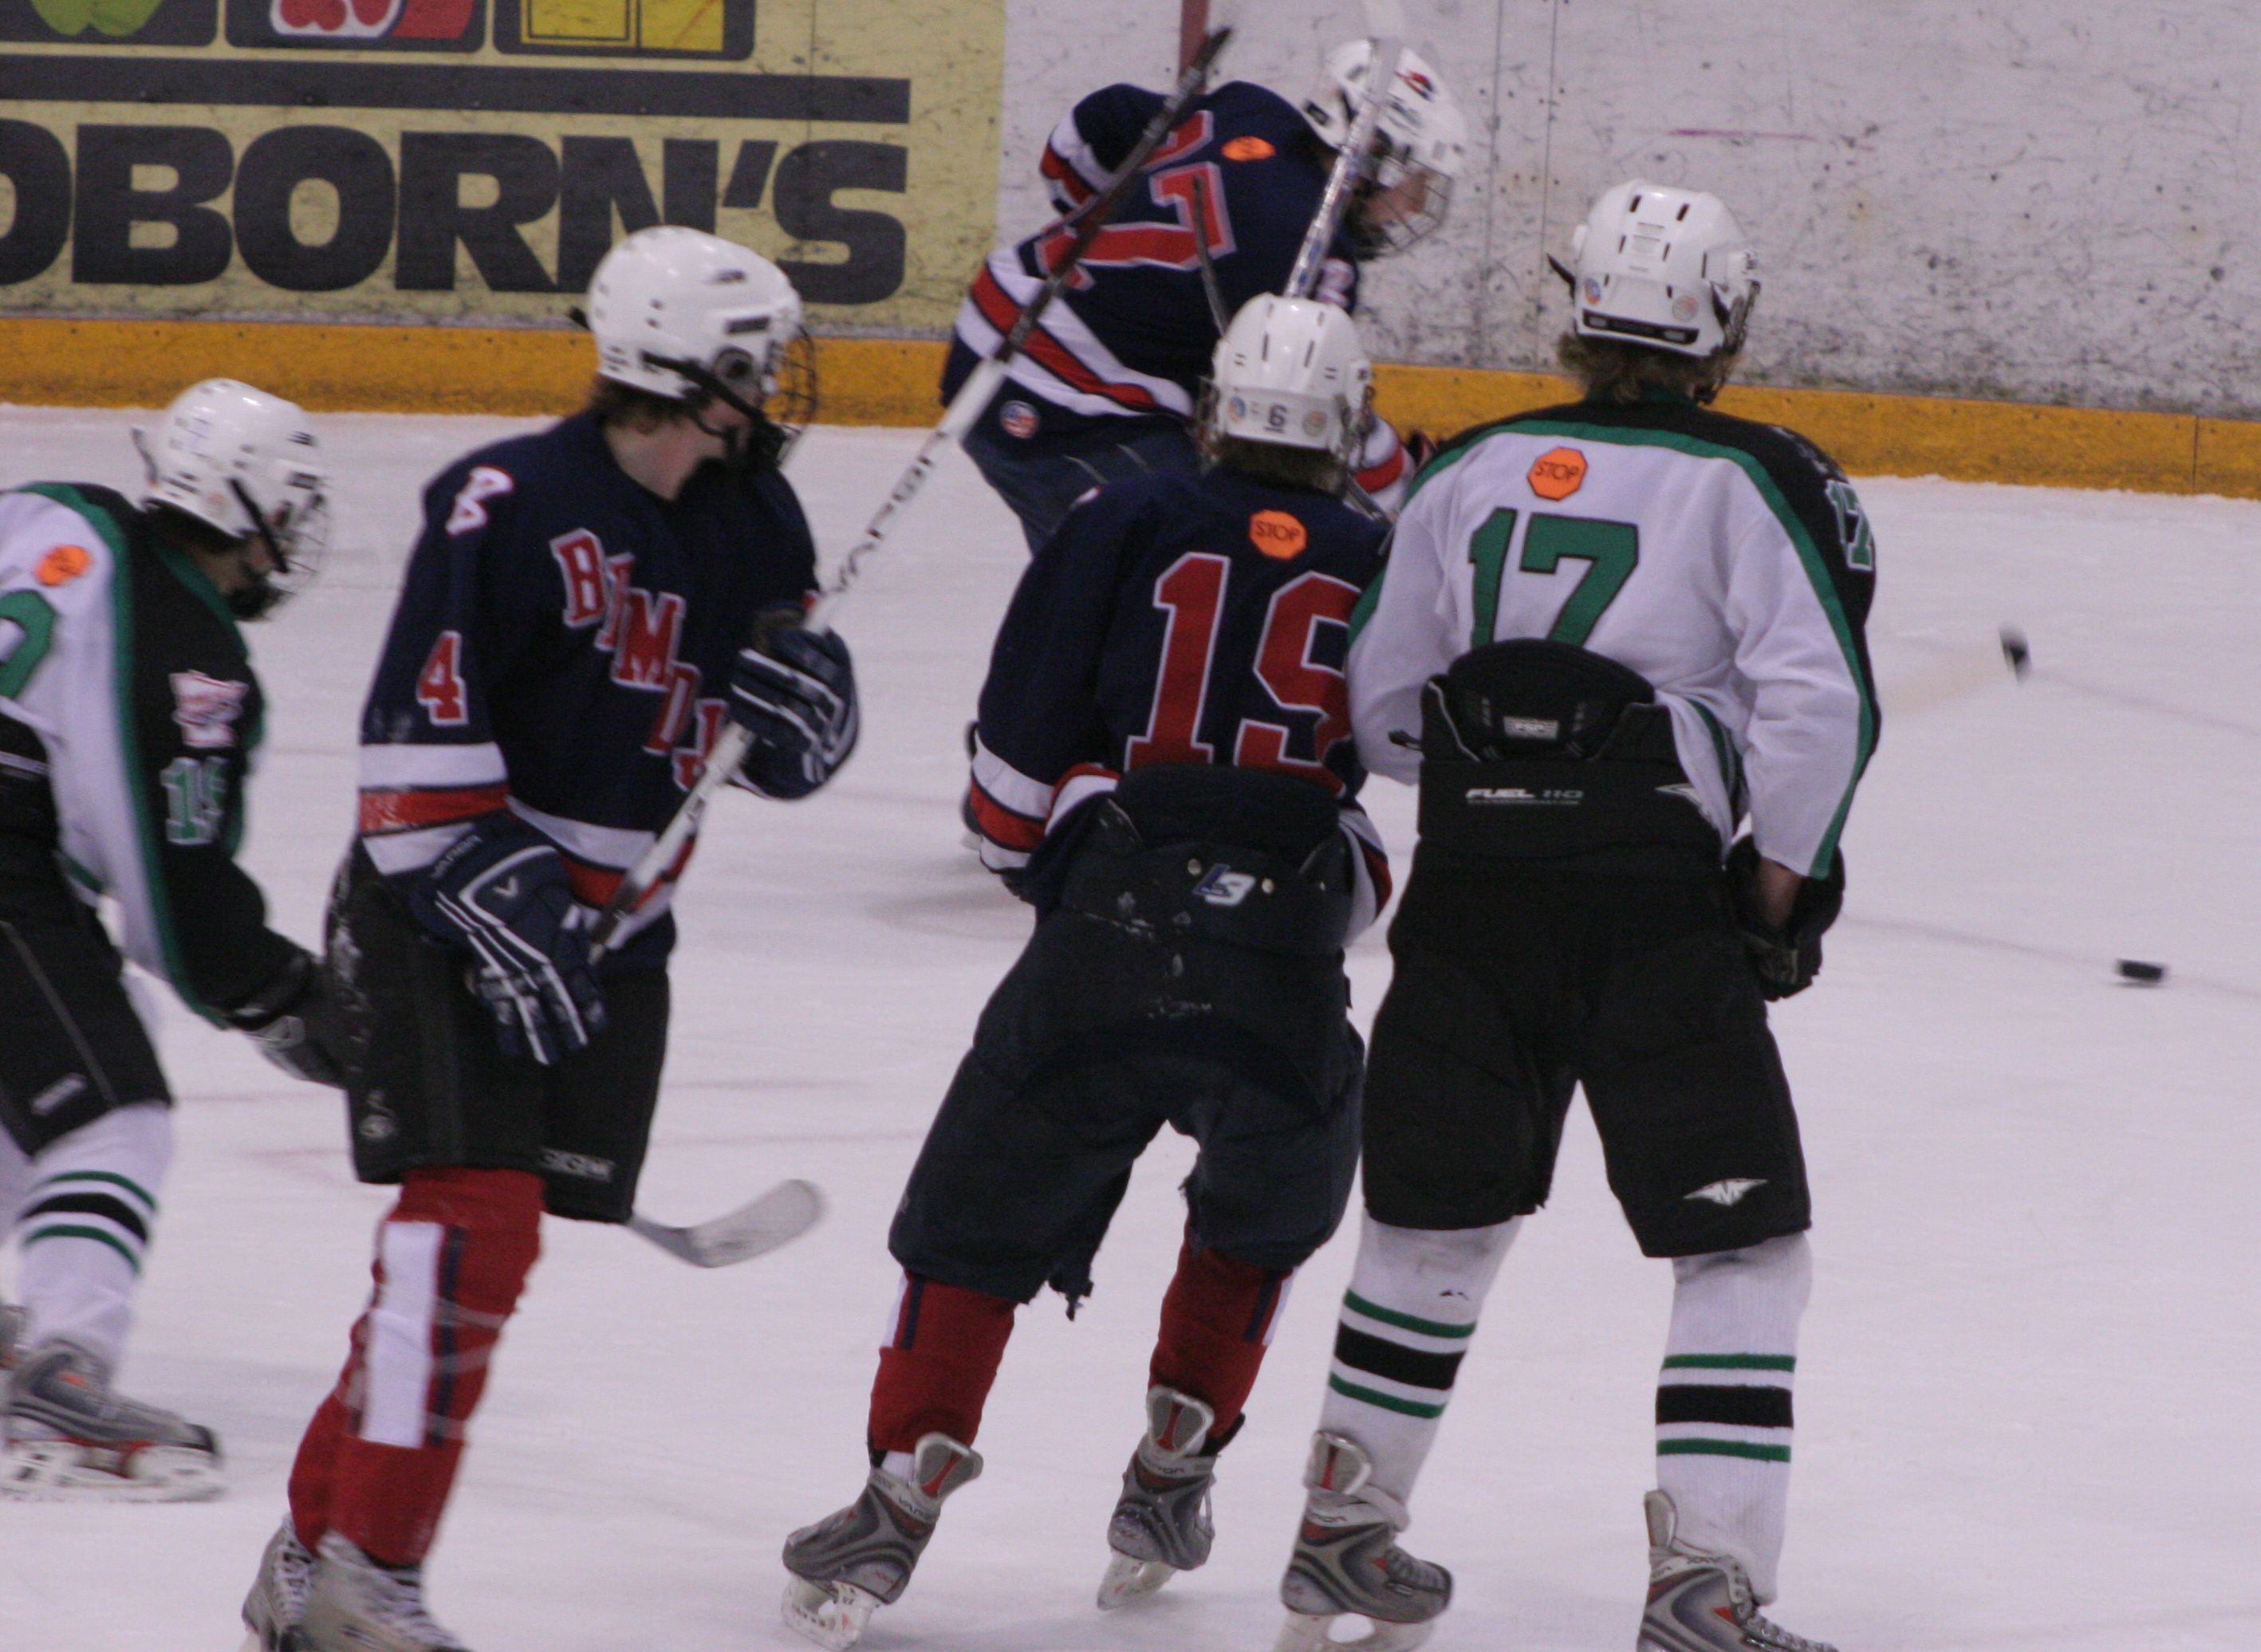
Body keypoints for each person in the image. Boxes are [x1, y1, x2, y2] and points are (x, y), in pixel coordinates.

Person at [1271, 183, 1879, 1652]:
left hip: (1472, 892)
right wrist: (1777, 881)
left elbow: (1383, 699)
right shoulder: (1754, 476)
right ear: (1721, 320)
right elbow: (1815, 702)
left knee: (1432, 1217)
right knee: (1739, 1250)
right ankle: (1704, 1584)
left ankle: (1343, 1530)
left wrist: (1498, 787)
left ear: (1577, 313)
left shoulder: (1471, 464)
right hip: (1646, 903)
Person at [240, 227, 862, 1652]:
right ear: (692, 368)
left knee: (478, 1256)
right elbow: (409, 746)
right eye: (755, 362)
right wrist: (496, 895)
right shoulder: (503, 500)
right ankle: (365, 1580)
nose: (774, 388)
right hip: (436, 907)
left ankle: (314, 1544)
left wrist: (812, 716)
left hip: (614, 936)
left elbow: (765, 747)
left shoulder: (759, 524)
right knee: (466, 1236)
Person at [779, 294, 1394, 1652]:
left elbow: (1013, 754)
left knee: (975, 1221)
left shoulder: (1115, 518)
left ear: (1212, 409)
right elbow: (1405, 748)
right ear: (1347, 425)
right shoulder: (1379, 551)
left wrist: (1045, 867)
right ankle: (1176, 1463)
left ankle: (901, 1486)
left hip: (1105, 937)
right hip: (1286, 961)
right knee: (1257, 1217)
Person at [0, 380, 336, 1503]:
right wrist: (287, 997)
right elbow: (173, 903)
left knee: (68, 1046)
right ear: (246, 511)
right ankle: (64, 1368)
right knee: (115, 1108)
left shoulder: (55, 510)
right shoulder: (193, 652)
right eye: (286, 512)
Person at [948, 41, 1467, 551]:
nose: (1416, 203)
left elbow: (1087, 132)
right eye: (1414, 179)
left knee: (1108, 577)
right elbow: (1312, 404)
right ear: (1371, 161)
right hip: (1066, 399)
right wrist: (1409, 485)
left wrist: (1106, 235)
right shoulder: (1316, 254)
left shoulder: (1247, 108)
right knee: (1198, 564)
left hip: (998, 317)